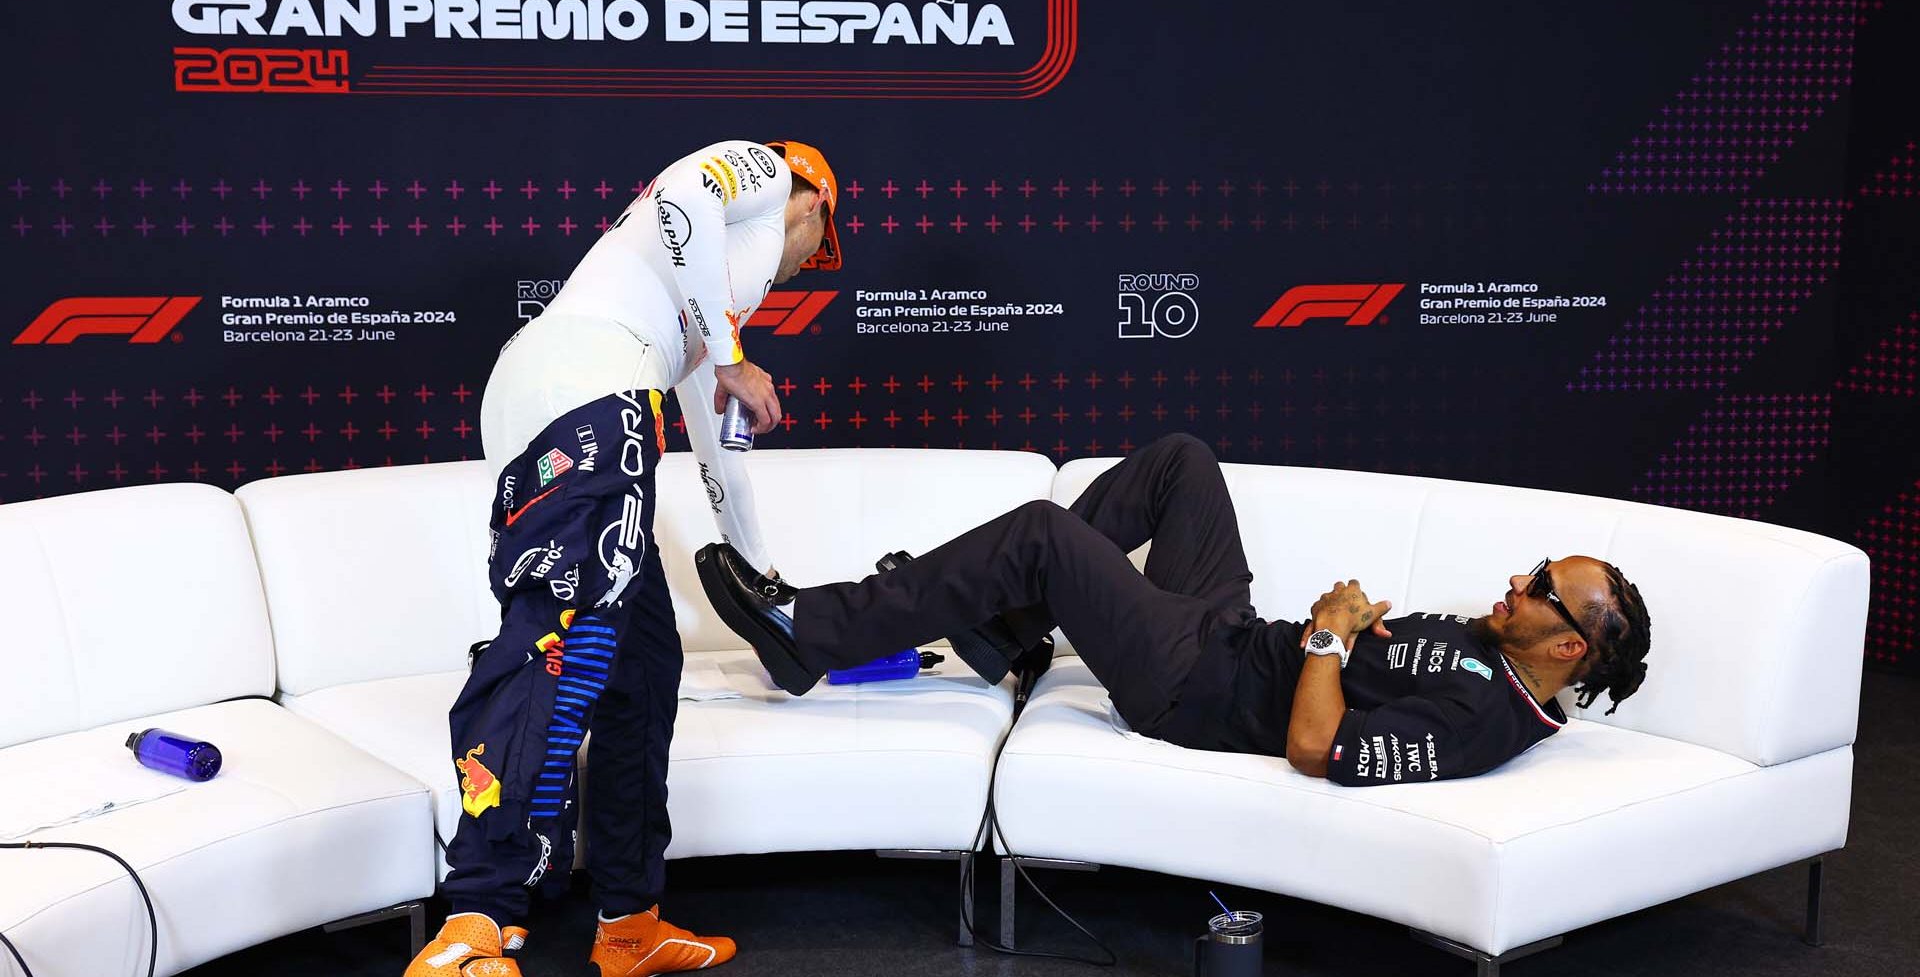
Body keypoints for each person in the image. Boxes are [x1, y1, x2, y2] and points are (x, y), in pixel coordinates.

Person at [406, 139, 842, 977]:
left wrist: (761, 573)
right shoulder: (759, 173)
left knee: (641, 661)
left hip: (578, 392)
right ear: (813, 203)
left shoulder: (695, 293)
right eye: (815, 251)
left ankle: (628, 920)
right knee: (559, 634)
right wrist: (734, 357)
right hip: (585, 384)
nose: (802, 271)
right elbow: (683, 194)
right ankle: (476, 916)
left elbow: (716, 449)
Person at [697, 434, 1652, 785]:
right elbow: (1368, 662)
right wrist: (1353, 632)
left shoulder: (1487, 721)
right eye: (1532, 567)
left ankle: (804, 635)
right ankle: (995, 632)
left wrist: (1329, 632)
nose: (1517, 583)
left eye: (1539, 589)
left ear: (1569, 644)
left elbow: (1319, 750)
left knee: (1041, 532)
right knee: (1181, 465)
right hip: (1231, 635)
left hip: (1192, 690)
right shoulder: (1488, 641)